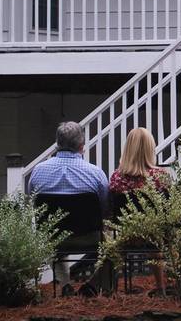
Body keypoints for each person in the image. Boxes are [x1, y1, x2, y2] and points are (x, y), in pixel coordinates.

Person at [28, 121, 112, 296]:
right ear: (82, 145)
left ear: (57, 145)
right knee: (114, 244)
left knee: (54, 230)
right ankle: (94, 285)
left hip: (53, 239)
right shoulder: (96, 174)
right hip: (90, 238)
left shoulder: (38, 172)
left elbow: (33, 204)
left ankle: (65, 284)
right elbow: (105, 209)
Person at [109, 127, 171, 295]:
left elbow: (112, 211)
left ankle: (111, 288)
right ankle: (162, 287)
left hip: (126, 237)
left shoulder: (117, 178)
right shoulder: (161, 176)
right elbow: (168, 210)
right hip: (155, 237)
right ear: (150, 149)